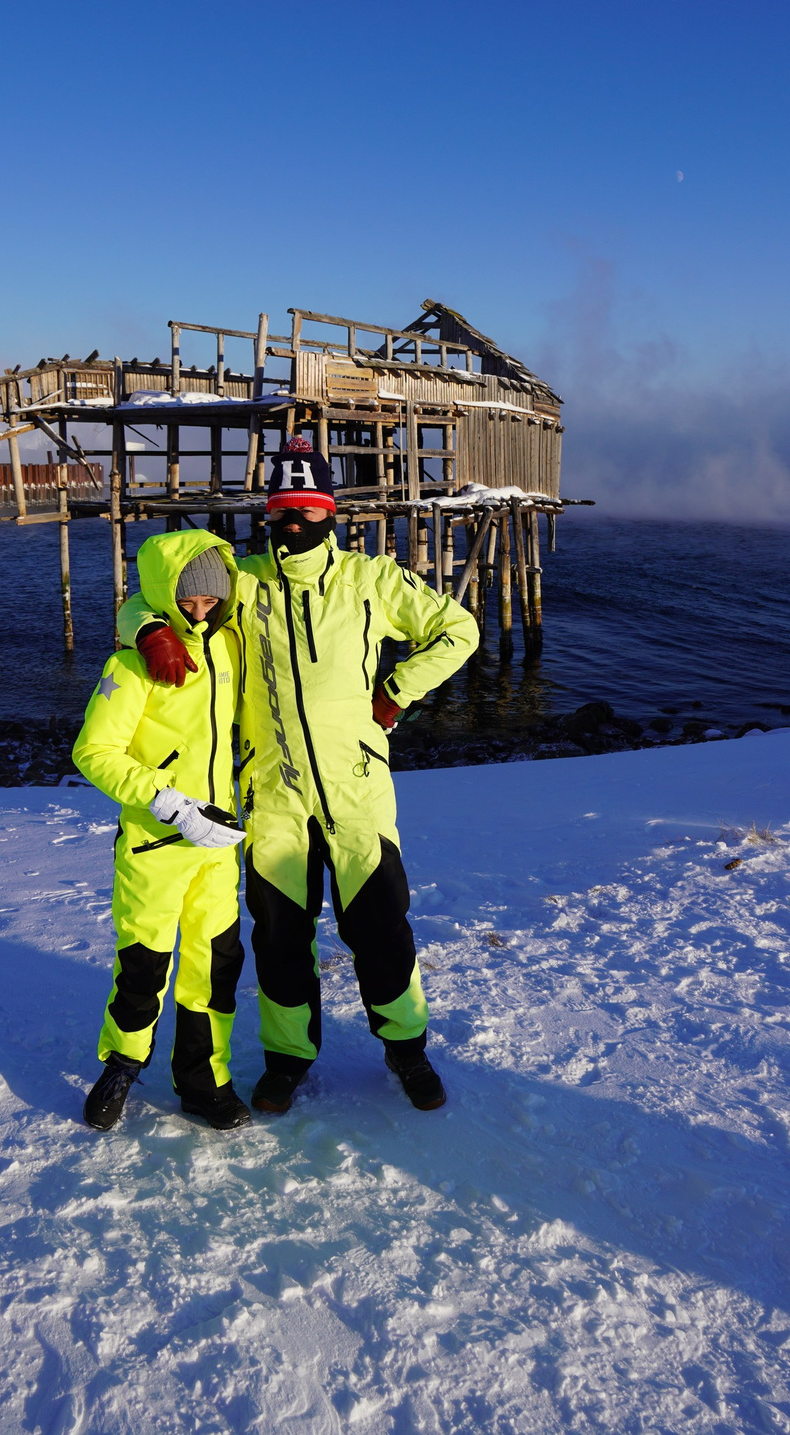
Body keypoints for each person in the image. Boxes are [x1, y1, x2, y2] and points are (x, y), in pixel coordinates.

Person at [122, 435, 479, 1115]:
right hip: (272, 795)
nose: (293, 521)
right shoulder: (243, 581)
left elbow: (458, 630)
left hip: (356, 788)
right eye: (282, 510)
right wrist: (147, 630)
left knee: (381, 924)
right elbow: (156, 594)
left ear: (330, 512)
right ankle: (288, 1057)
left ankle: (406, 1046)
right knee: (281, 936)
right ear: (268, 514)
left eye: (307, 509)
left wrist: (397, 690)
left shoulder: (370, 580)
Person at [70, 529, 252, 1132]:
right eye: (186, 601)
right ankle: (122, 1067)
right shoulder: (132, 664)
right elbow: (94, 752)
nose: (199, 612)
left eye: (210, 600)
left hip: (217, 846)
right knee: (143, 964)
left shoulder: (229, 646)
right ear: (163, 597)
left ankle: (204, 1081)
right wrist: (168, 803)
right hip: (155, 842)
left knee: (213, 968)